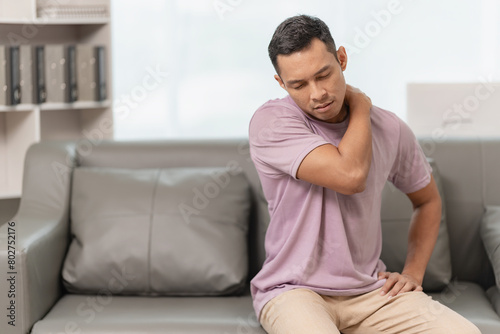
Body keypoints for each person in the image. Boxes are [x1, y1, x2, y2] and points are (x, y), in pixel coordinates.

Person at [248, 14, 480, 334]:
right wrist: (360, 106)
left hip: (371, 292)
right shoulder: (271, 122)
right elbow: (350, 176)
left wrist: (413, 274)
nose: (317, 94)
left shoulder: (390, 128)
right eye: (298, 85)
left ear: (342, 59)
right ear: (281, 84)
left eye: (324, 74)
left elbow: (427, 201)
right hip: (293, 291)